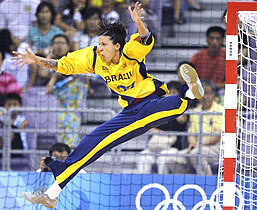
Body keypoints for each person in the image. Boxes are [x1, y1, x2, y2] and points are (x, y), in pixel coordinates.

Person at [12, 2, 204, 208]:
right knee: (90, 142)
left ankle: (189, 93)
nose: (100, 48)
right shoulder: (94, 57)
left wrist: (138, 23)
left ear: (117, 46)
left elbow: (146, 39)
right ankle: (52, 193)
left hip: (151, 99)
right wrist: (36, 59)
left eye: (104, 44)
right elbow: (63, 65)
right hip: (130, 112)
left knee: (161, 108)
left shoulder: (130, 52)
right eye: (99, 44)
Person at [163, 80, 223, 175]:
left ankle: (207, 182)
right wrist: (192, 141)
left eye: (207, 93)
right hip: (197, 147)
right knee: (170, 159)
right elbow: (191, 133)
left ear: (213, 94)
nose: (204, 96)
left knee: (196, 154)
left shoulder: (220, 110)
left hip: (217, 147)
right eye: (201, 93)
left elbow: (216, 136)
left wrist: (198, 144)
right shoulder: (196, 111)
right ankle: (188, 181)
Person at [136, 81, 189, 174]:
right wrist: (162, 134)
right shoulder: (158, 108)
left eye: (173, 93)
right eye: (168, 93)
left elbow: (182, 120)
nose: (170, 95)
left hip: (171, 148)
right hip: (155, 147)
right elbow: (149, 126)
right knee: (143, 157)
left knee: (163, 159)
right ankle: (143, 185)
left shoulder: (182, 108)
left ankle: (162, 185)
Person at [189, 26, 226, 91]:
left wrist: (213, 86)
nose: (214, 42)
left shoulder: (227, 57)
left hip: (220, 90)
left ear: (223, 40)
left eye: (218, 39)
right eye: (211, 38)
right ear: (207, 39)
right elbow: (188, 75)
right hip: (199, 89)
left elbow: (234, 82)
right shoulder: (198, 56)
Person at [0, 93, 28, 157]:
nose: (11, 107)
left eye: (14, 105)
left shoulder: (23, 120)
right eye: (9, 105)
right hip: (2, 147)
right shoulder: (1, 118)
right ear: (4, 106)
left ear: (20, 106)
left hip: (18, 149)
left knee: (14, 131)